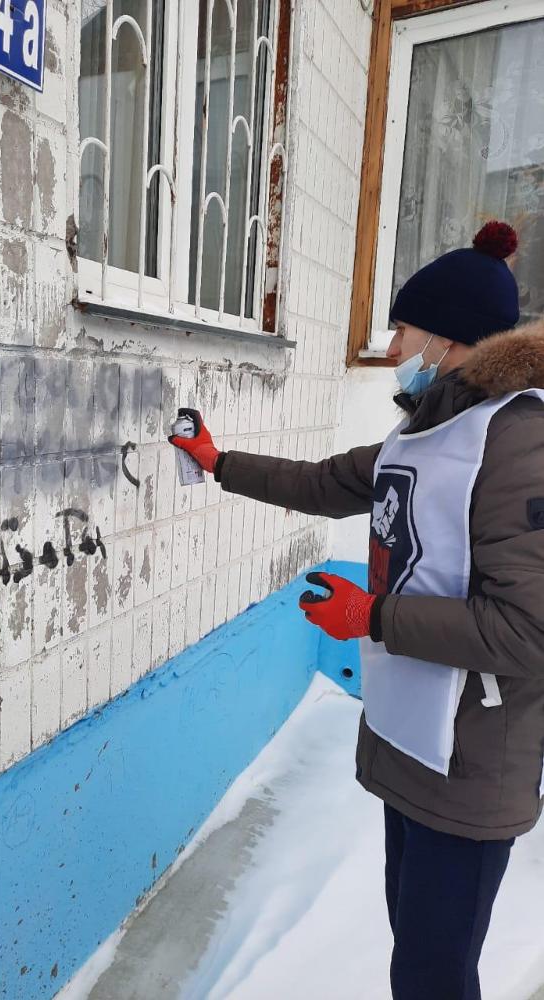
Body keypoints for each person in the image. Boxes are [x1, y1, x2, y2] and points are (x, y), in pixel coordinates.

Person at [169, 220, 544, 1000]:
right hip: (413, 748)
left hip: (473, 766)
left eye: (404, 328)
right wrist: (217, 462)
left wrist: (369, 618)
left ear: (447, 336)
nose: (395, 343)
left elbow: (527, 630)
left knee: (434, 976)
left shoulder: (520, 444)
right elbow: (324, 482)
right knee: (417, 958)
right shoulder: (429, 430)